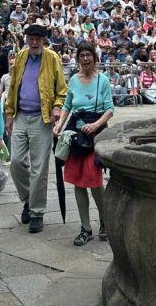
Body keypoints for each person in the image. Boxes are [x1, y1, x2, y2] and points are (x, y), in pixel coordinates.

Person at [4, 23, 67, 233]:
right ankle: (28, 200)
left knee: (39, 168)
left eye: (37, 39)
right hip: (21, 114)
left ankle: (37, 212)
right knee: (16, 162)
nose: (33, 42)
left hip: (43, 118)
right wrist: (9, 113)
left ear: (43, 41)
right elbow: (13, 86)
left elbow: (62, 90)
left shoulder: (51, 57)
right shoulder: (21, 56)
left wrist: (57, 107)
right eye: (30, 38)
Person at [54, 42, 113, 246]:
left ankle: (106, 222)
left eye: (88, 55)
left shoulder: (102, 80)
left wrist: (95, 125)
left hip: (95, 135)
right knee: (77, 181)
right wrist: (59, 125)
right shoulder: (73, 80)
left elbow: (109, 109)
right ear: (77, 59)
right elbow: (67, 105)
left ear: (94, 58)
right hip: (75, 134)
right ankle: (85, 227)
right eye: (82, 55)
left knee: (94, 180)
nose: (85, 59)